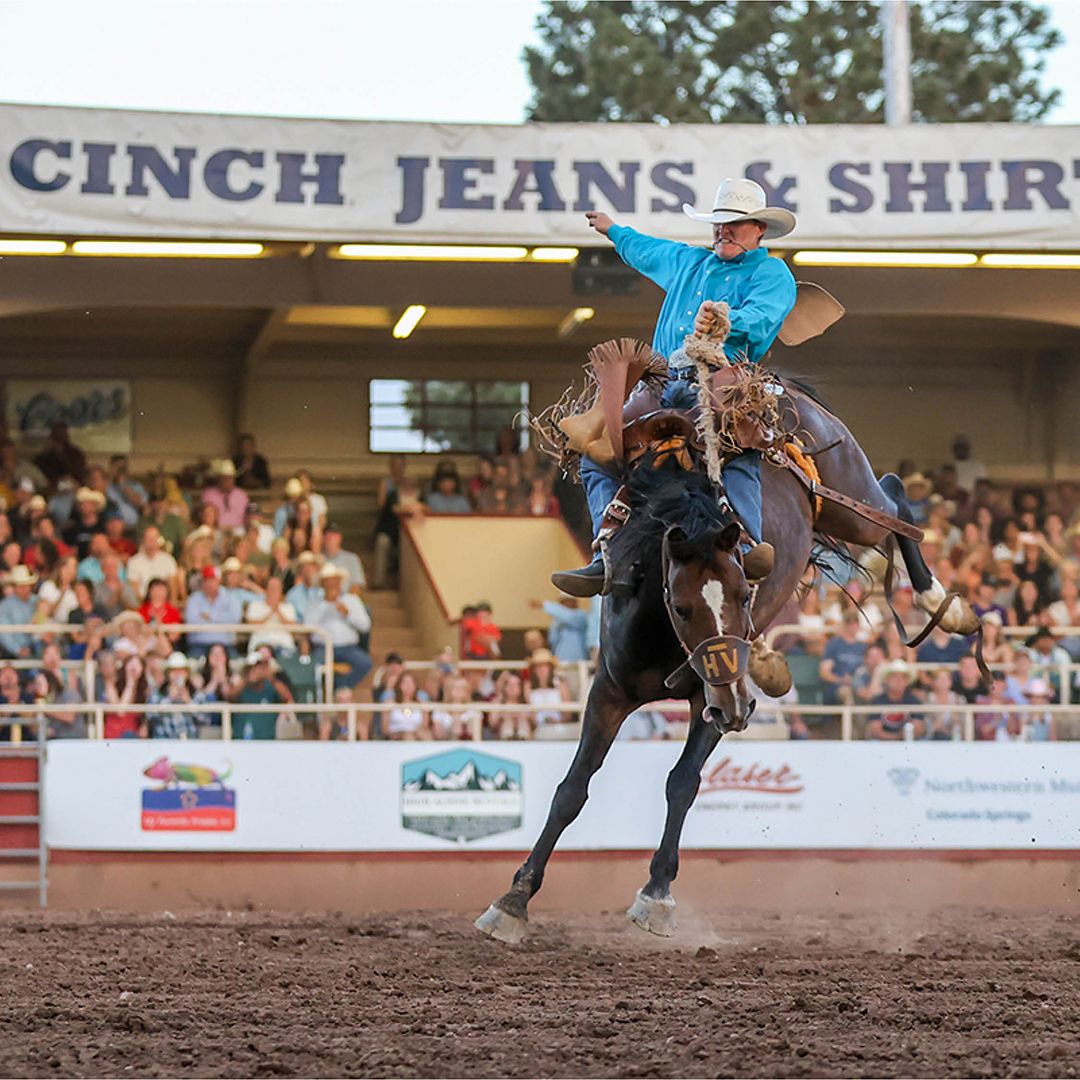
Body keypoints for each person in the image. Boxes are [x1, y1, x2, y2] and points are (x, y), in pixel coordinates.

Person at [552, 177, 797, 596]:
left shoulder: (772, 273)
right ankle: (605, 550)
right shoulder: (689, 261)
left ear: (759, 229)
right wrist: (614, 230)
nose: (724, 231)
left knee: (738, 438)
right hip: (662, 380)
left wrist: (725, 320)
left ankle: (747, 542)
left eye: (735, 224)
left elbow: (762, 315)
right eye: (719, 223)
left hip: (725, 379)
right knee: (594, 445)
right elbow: (646, 250)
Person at [307, 564, 372, 689]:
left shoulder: (352, 600)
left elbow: (365, 626)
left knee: (365, 663)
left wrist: (348, 614)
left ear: (340, 582)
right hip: (323, 647)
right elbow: (308, 626)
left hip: (348, 648)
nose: (332, 585)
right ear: (322, 584)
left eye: (334, 581)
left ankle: (340, 689)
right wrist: (326, 604)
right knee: (313, 667)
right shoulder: (315, 603)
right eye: (328, 582)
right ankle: (324, 695)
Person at [230, 652, 293, 740]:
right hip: (240, 741)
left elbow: (288, 698)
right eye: (252, 668)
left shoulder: (272, 688)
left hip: (266, 742)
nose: (256, 670)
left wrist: (270, 678)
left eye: (260, 667)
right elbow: (230, 697)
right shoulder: (242, 687)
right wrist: (246, 678)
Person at [184, 566, 242, 661]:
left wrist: (210, 616)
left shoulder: (231, 598)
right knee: (191, 665)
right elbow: (192, 621)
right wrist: (222, 619)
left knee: (236, 665)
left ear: (219, 581)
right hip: (200, 645)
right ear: (202, 582)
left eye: (213, 580)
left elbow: (235, 619)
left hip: (226, 645)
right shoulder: (194, 599)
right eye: (207, 580)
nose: (210, 583)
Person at [147, 653, 204, 739]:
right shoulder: (158, 693)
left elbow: (205, 719)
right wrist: (169, 698)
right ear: (168, 674)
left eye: (181, 671)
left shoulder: (196, 694)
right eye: (174, 671)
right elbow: (151, 716)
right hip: (163, 741)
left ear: (187, 674)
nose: (178, 674)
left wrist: (188, 701)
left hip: (190, 742)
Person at [866, 662, 925, 740]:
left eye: (902, 678)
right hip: (881, 744)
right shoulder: (877, 701)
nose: (898, 681)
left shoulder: (914, 701)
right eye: (894, 677)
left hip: (907, 744)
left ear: (907, 681)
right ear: (887, 680)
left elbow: (918, 729)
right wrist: (895, 738)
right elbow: (875, 730)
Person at [244, 576, 299, 654]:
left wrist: (278, 611)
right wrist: (270, 612)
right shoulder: (255, 605)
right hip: (261, 643)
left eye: (277, 588)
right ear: (266, 589)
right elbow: (250, 625)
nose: (274, 591)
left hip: (283, 644)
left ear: (281, 590)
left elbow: (293, 628)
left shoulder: (288, 607)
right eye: (271, 588)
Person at [126, 526, 180, 603]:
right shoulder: (133, 562)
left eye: (154, 538)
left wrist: (171, 605)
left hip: (165, 604)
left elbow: (173, 587)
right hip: (144, 604)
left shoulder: (168, 559)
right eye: (148, 539)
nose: (151, 541)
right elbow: (134, 590)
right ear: (143, 540)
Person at [0, 565, 38, 659]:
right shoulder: (5, 606)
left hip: (36, 646)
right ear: (14, 587)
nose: (24, 588)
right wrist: (17, 649)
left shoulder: (36, 601)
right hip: (14, 653)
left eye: (27, 585)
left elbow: (43, 618)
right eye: (21, 585)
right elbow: (4, 632)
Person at [202, 459, 249, 532]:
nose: (227, 481)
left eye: (230, 478)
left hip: (238, 530)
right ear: (219, 479)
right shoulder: (209, 494)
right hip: (216, 530)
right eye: (224, 478)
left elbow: (247, 516)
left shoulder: (241, 495)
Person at [322, 523, 366, 590]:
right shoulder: (317, 559)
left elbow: (356, 585)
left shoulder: (352, 559)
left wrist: (348, 599)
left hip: (345, 597)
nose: (330, 537)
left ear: (339, 537)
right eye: (327, 534)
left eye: (334, 535)